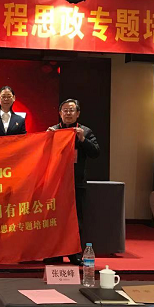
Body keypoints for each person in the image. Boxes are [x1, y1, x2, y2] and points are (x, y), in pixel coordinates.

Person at [46, 98, 100, 265]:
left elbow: (95, 153)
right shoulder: (53, 130)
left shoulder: (85, 131)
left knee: (76, 220)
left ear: (78, 113)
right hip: (56, 183)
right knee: (55, 219)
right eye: (65, 110)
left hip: (77, 183)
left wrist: (83, 139)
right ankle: (54, 253)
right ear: (60, 113)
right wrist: (46, 139)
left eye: (71, 110)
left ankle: (75, 254)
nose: (68, 113)